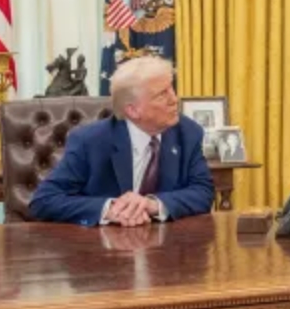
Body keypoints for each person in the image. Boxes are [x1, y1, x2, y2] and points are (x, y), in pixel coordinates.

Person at [29, 55, 214, 226]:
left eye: (171, 88)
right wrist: (110, 209)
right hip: (104, 250)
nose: (174, 99)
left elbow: (203, 192)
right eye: (162, 94)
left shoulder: (188, 133)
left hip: (166, 248)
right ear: (132, 110)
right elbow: (44, 201)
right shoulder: (90, 141)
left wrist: (152, 205)